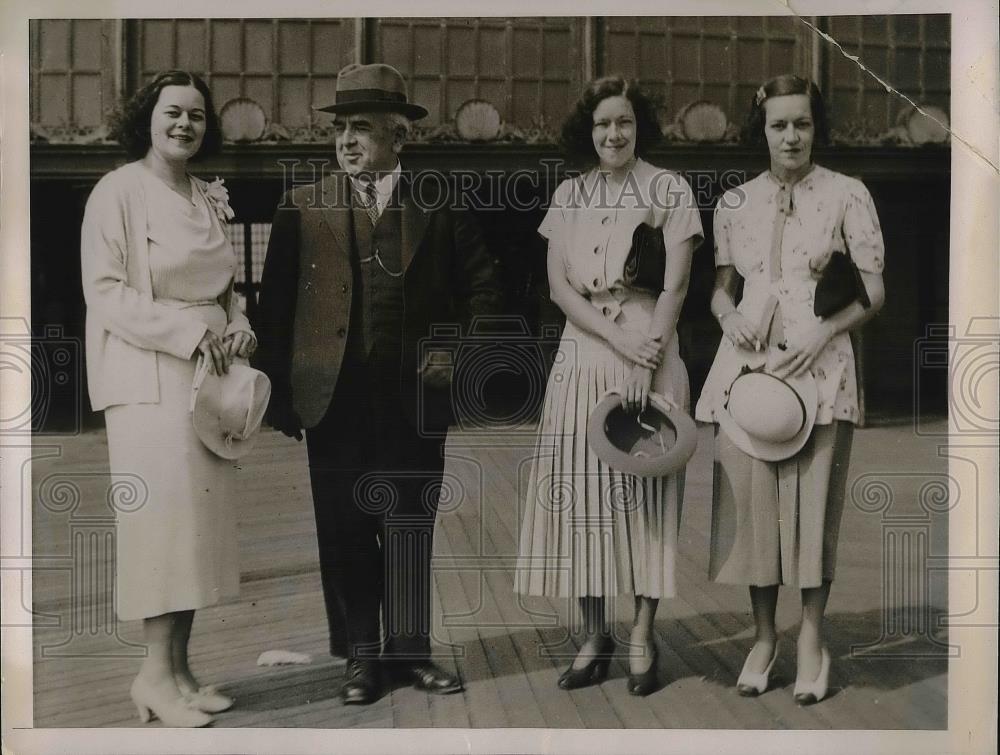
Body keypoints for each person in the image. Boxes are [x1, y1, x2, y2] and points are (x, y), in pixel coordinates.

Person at [253, 63, 502, 706]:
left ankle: (412, 654)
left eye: (362, 128)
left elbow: (484, 291)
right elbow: (274, 311)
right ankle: (362, 658)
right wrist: (281, 396)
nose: (347, 140)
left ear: (401, 138)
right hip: (331, 400)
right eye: (341, 128)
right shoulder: (302, 206)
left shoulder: (440, 205)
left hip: (414, 401)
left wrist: (453, 350)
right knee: (343, 527)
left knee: (409, 523)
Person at [694, 74, 886, 704]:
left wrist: (823, 333)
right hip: (746, 371)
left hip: (818, 368)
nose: (791, 135)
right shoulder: (733, 202)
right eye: (779, 125)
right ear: (763, 130)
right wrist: (729, 316)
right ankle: (762, 637)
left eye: (802, 123)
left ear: (815, 127)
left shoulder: (848, 195)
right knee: (754, 511)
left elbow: (873, 293)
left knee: (811, 511)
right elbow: (721, 286)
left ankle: (810, 638)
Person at [515, 76, 703, 696]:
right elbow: (559, 287)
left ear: (638, 125)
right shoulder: (569, 193)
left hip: (651, 343)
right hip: (584, 347)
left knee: (645, 495)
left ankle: (643, 634)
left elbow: (675, 284)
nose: (612, 134)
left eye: (622, 121)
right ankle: (594, 636)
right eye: (601, 124)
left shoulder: (668, 188)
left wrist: (644, 355)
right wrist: (612, 338)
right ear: (588, 131)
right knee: (585, 501)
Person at [81, 70, 256, 726]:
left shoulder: (207, 196)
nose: (185, 125)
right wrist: (188, 331)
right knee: (163, 527)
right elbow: (106, 291)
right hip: (147, 379)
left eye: (197, 116)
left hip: (208, 382)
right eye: (172, 113)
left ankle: (180, 669)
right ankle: (152, 675)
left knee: (196, 530)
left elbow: (226, 288)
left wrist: (237, 321)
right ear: (146, 119)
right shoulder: (118, 191)